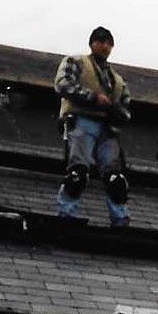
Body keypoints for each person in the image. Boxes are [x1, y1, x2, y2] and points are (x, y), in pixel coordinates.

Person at [54, 26, 133, 226]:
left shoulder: (117, 79)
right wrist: (91, 97)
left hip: (107, 128)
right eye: (100, 41)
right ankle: (66, 213)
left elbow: (126, 110)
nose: (105, 46)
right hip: (81, 120)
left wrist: (114, 110)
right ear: (92, 43)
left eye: (108, 42)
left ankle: (120, 218)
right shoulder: (76, 62)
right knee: (77, 172)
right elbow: (62, 84)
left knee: (116, 178)